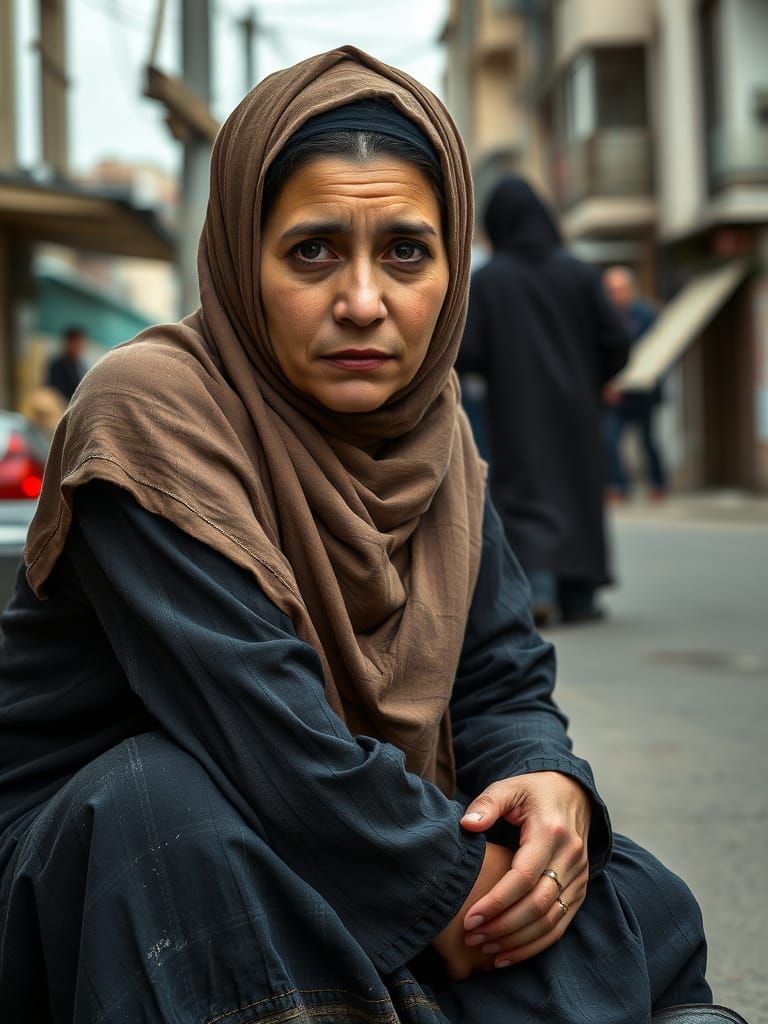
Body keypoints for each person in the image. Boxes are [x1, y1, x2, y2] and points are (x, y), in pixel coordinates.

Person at [0, 47, 724, 1024]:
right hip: (150, 861)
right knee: (161, 808)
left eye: (406, 252)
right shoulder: (148, 416)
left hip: (343, 834)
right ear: (240, 257)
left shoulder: (440, 439)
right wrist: (454, 897)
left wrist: (540, 776)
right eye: (311, 250)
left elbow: (500, 672)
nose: (364, 302)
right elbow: (273, 742)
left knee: (633, 889)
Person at [457, 176, 630, 627]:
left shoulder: (490, 282)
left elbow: (466, 350)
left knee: (526, 489)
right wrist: (592, 378)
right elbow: (617, 339)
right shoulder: (579, 273)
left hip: (518, 407)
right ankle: (580, 596)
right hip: (578, 407)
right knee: (578, 489)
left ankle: (540, 585)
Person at [603, 266, 667, 501]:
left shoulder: (646, 315)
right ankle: (619, 486)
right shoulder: (605, 315)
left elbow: (661, 349)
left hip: (644, 391)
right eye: (612, 289)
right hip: (616, 393)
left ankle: (658, 484)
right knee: (609, 440)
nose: (617, 294)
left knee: (648, 441)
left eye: (621, 288)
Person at [45, 325, 87, 402]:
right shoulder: (57, 365)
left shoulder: (80, 366)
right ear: (68, 343)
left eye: (80, 344)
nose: (78, 347)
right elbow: (55, 391)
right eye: (76, 343)